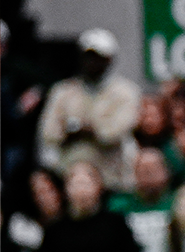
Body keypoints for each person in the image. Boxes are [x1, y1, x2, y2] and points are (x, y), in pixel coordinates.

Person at [37, 29, 140, 193]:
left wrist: (84, 131)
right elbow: (49, 133)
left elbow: (115, 132)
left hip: (111, 179)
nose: (92, 62)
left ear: (109, 60)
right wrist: (87, 131)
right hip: (68, 177)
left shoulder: (126, 92)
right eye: (88, 56)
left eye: (98, 57)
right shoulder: (63, 91)